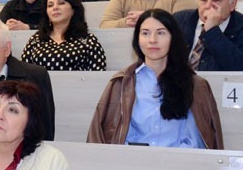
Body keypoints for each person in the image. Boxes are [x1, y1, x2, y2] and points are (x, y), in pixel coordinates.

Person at [88, 10, 223, 149]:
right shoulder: (121, 83)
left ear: (173, 38)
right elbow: (98, 136)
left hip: (180, 160)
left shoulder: (196, 85)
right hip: (131, 160)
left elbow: (203, 142)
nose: (152, 40)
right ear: (137, 39)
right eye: (145, 33)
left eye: (161, 33)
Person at [21, 0, 106, 71]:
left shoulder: (88, 40)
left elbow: (98, 74)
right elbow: (24, 71)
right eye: (50, 5)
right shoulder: (36, 39)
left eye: (61, 3)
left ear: (73, 10)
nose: (55, 8)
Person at [174, 0, 243, 71]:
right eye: (203, 0)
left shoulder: (240, 27)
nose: (208, 5)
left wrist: (212, 31)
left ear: (233, 4)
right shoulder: (179, 20)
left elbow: (239, 67)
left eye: (216, 0)